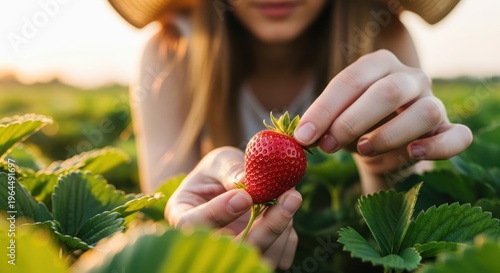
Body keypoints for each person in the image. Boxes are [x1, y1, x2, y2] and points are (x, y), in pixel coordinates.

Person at [109, 0, 472, 270]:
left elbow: (406, 236)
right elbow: (162, 197)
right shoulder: (172, 49)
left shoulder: (383, 35)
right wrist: (196, 231)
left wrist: (389, 163)